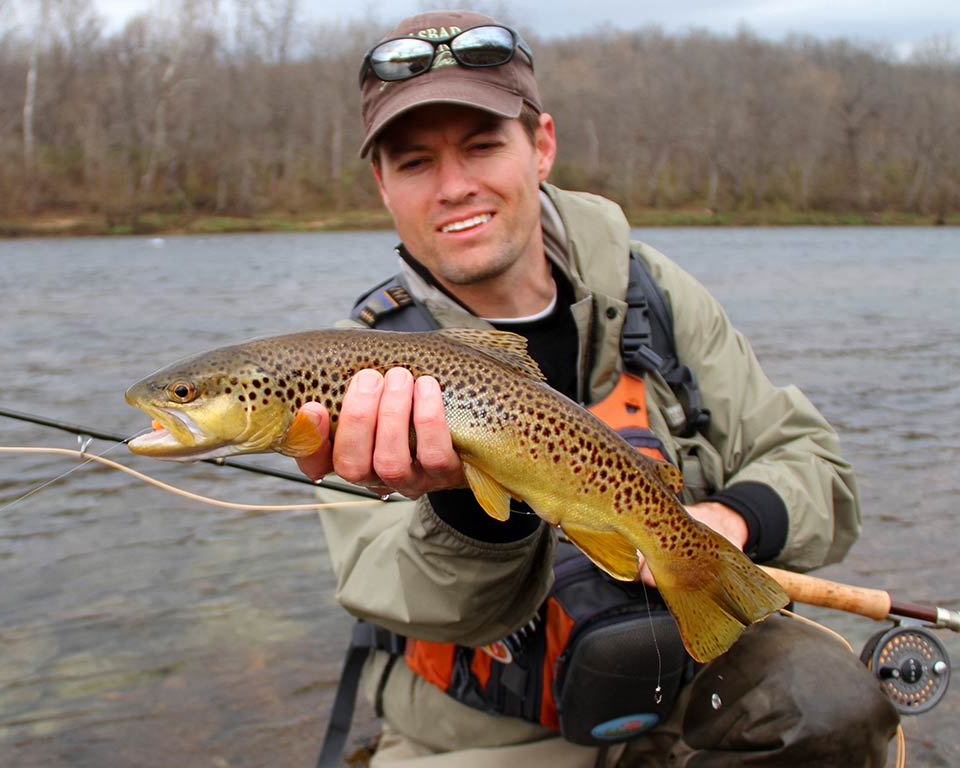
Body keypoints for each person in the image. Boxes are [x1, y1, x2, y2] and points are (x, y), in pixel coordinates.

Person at [297, 9, 899, 766]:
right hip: (485, 730)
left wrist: (730, 520)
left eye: (483, 145)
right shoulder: (353, 369)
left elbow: (814, 466)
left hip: (681, 683)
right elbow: (400, 595)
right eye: (415, 163)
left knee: (832, 705)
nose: (454, 186)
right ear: (382, 185)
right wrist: (470, 511)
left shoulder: (654, 292)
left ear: (541, 145)